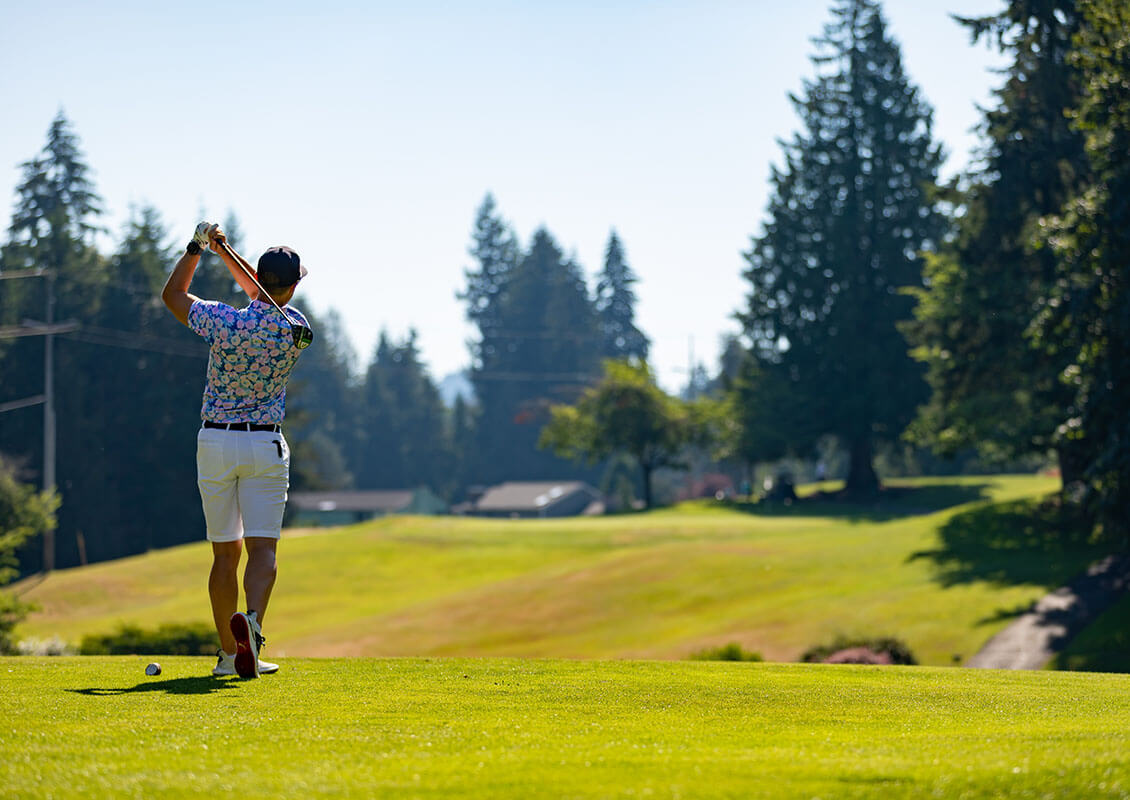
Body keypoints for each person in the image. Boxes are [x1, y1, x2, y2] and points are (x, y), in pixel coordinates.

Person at [161, 223, 311, 679]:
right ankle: (255, 625)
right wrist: (227, 252)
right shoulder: (298, 331)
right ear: (295, 285)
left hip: (217, 441)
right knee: (263, 550)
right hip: (265, 444)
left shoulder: (224, 320)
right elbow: (265, 295)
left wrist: (199, 249)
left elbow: (173, 295)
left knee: (225, 555)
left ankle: (229, 654)